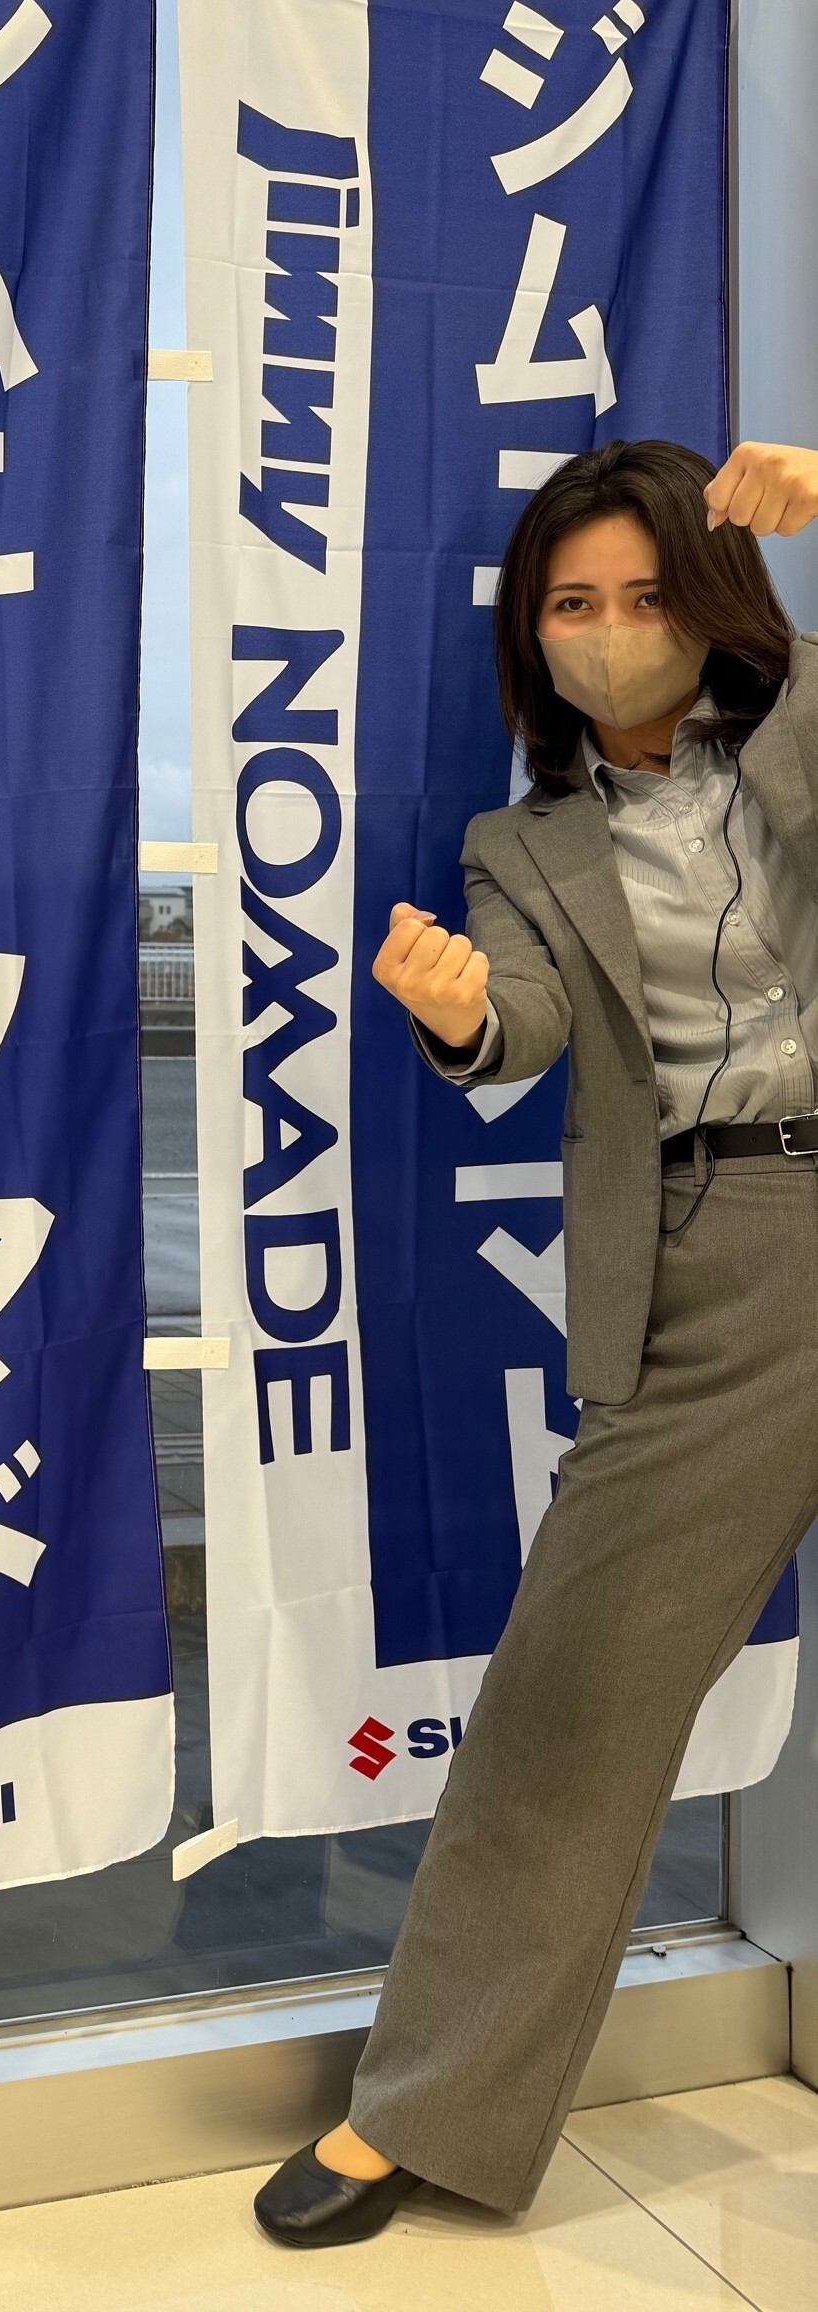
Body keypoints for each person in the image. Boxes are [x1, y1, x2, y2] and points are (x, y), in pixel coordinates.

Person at [253, 433, 818, 2248]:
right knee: (568, 1700)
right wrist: (452, 1012)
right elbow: (518, 1025)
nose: (607, 630)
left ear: (712, 600)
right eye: (570, 603)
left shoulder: (805, 718)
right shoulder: (523, 841)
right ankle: (428, 2104)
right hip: (724, 1256)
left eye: (643, 594)